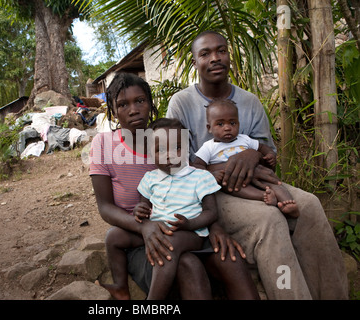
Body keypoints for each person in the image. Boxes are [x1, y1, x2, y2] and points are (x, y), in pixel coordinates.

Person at [166, 30, 348, 299]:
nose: (215, 58)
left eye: (221, 50)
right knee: (269, 218)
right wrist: (218, 171)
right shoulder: (181, 103)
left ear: (229, 56)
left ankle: (334, 295)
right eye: (205, 53)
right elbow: (176, 166)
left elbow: (268, 155)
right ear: (195, 62)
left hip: (255, 179)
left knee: (309, 205)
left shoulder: (249, 101)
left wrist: (253, 154)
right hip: (211, 194)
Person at [89, 72, 259, 300]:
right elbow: (105, 208)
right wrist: (145, 227)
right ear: (112, 109)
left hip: (185, 226)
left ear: (150, 103)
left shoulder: (169, 138)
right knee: (187, 264)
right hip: (140, 236)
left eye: (140, 101)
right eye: (122, 104)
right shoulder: (103, 144)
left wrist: (215, 227)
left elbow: (194, 184)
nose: (133, 109)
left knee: (229, 257)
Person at [100, 118, 222, 300]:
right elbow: (145, 211)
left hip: (190, 234)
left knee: (168, 245)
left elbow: (212, 212)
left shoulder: (200, 176)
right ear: (151, 154)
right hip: (157, 230)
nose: (169, 155)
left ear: (187, 148)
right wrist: (139, 211)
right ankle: (120, 287)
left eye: (177, 148)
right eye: (160, 150)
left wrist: (189, 224)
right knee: (113, 236)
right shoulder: (150, 178)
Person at [193, 99, 299, 218]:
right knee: (233, 187)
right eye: (220, 124)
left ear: (238, 123)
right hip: (231, 180)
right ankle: (263, 195)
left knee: (275, 184)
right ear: (209, 128)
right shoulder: (209, 147)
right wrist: (211, 174)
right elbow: (197, 165)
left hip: (254, 172)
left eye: (232, 123)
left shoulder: (245, 139)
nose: (227, 128)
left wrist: (270, 155)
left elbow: (263, 147)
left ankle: (289, 204)